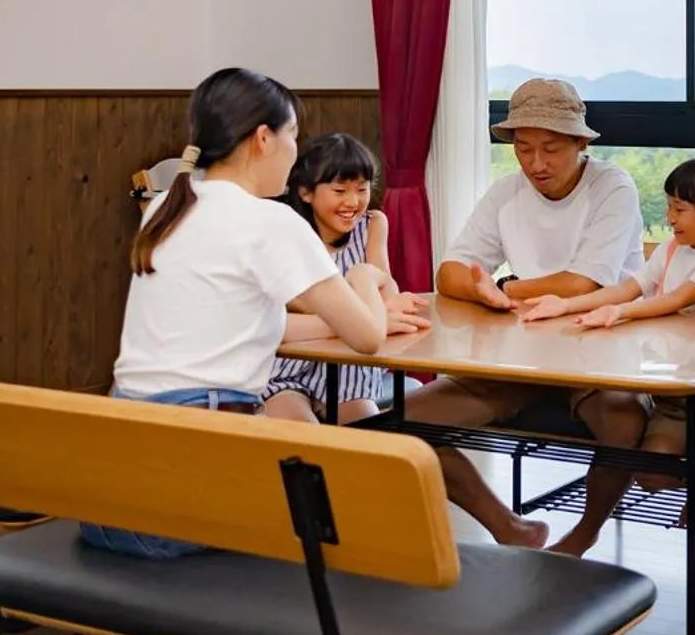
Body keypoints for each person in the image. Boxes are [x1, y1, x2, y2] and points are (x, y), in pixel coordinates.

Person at [91, 68, 421, 558]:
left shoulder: (163, 206)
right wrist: (363, 282)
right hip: (184, 498)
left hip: (112, 488)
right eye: (293, 134)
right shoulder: (270, 221)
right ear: (264, 139)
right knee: (354, 505)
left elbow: (241, 322)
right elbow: (369, 338)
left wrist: (338, 316)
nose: (295, 149)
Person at [402, 78, 649, 556]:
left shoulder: (612, 186)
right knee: (407, 423)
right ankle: (508, 526)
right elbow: (449, 272)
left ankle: (584, 534)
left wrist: (499, 289)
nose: (536, 163)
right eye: (523, 148)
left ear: (582, 142)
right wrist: (481, 288)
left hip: (600, 352)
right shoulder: (506, 192)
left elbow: (584, 284)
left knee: (623, 421)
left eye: (551, 149)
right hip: (521, 356)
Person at [521, 156, 695, 529]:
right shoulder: (670, 250)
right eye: (669, 207)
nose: (670, 217)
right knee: (649, 475)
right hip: (675, 394)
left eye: (680, 209)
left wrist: (622, 312)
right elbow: (626, 288)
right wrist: (565, 303)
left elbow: (677, 300)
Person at [267, 132, 430, 423]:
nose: (353, 202)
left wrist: (382, 298)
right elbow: (297, 302)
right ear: (306, 192)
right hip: (287, 367)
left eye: (362, 189)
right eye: (340, 191)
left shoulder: (373, 224)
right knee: (301, 438)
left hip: (351, 367)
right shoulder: (287, 231)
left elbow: (385, 285)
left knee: (368, 437)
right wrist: (366, 309)